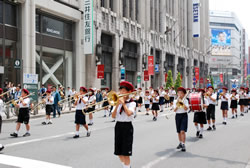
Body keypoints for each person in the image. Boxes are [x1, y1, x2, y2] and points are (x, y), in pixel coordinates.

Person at [112, 81, 136, 168]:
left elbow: (129, 113)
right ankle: (126, 166)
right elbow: (113, 116)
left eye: (124, 91)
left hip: (127, 126)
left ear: (129, 92)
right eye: (120, 90)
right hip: (118, 126)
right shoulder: (117, 102)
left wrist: (123, 104)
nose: (121, 93)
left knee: (126, 153)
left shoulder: (132, 103)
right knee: (118, 152)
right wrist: (117, 104)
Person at [174, 87, 189, 152]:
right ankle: (180, 142)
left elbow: (186, 109)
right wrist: (178, 103)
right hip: (178, 115)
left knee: (182, 131)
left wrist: (182, 103)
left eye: (181, 93)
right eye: (179, 93)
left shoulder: (186, 100)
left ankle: (183, 144)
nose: (180, 94)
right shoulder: (175, 101)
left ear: (184, 94)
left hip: (184, 115)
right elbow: (174, 110)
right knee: (179, 131)